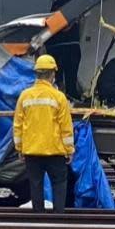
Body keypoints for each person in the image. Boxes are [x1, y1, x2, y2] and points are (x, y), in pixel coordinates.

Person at [14, 54, 75, 212]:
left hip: (32, 151)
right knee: (59, 184)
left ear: (37, 74)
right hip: (55, 151)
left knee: (36, 185)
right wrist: (69, 150)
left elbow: (18, 126)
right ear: (52, 75)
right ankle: (58, 218)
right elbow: (66, 128)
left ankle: (38, 219)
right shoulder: (59, 97)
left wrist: (19, 148)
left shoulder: (24, 96)